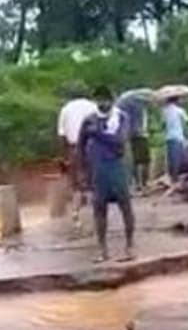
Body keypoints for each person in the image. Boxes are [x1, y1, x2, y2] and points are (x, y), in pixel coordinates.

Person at [78, 87, 135, 262]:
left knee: (125, 207)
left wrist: (97, 133)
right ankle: (102, 250)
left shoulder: (121, 118)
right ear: (95, 100)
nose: (104, 103)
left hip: (117, 167)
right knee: (99, 209)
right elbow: (80, 146)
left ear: (113, 99)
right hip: (98, 168)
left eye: (107, 99)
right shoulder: (89, 120)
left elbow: (119, 141)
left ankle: (130, 246)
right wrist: (83, 171)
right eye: (100, 99)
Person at [56, 92, 99, 225]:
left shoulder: (66, 109)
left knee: (77, 185)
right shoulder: (94, 107)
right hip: (93, 147)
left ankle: (76, 214)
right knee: (94, 182)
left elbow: (62, 135)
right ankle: (97, 213)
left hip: (75, 148)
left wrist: (63, 157)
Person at [116, 93, 151, 191]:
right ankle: (142, 183)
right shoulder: (138, 109)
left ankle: (138, 183)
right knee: (144, 160)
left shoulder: (138, 109)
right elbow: (138, 125)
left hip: (135, 135)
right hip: (140, 136)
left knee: (137, 161)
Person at [162, 96, 188, 181]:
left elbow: (163, 124)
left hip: (169, 137)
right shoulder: (180, 111)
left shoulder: (164, 111)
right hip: (179, 136)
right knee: (179, 158)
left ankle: (172, 177)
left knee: (171, 158)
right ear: (176, 100)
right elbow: (185, 124)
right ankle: (177, 178)